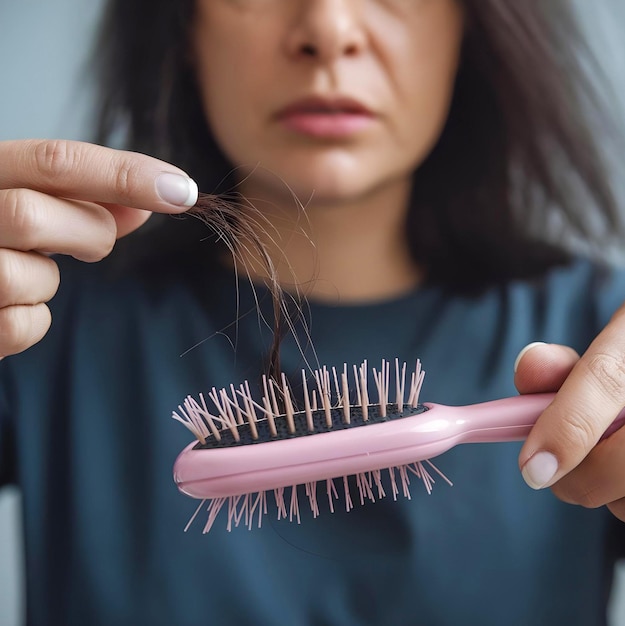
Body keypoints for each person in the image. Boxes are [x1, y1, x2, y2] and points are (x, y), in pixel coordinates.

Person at [1, 0, 625, 624]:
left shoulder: (602, 342)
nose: (328, 30)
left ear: (468, 25)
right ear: (183, 26)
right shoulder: (32, 320)